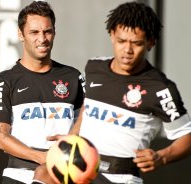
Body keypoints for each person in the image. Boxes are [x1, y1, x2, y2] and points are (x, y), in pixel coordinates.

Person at [33, 1, 191, 184]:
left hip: (121, 177)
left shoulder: (161, 88)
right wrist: (72, 137)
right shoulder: (94, 68)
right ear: (112, 35)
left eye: (137, 43)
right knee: (44, 173)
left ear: (151, 42)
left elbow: (187, 136)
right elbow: (87, 107)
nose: (127, 50)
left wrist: (162, 156)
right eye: (122, 41)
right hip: (79, 167)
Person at [0, 1, 85, 184]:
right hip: (18, 176)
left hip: (64, 176)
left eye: (48, 31)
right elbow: (0, 137)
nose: (42, 39)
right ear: (21, 35)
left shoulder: (73, 77)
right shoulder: (3, 80)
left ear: (54, 33)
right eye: (34, 32)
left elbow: (87, 126)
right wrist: (40, 157)